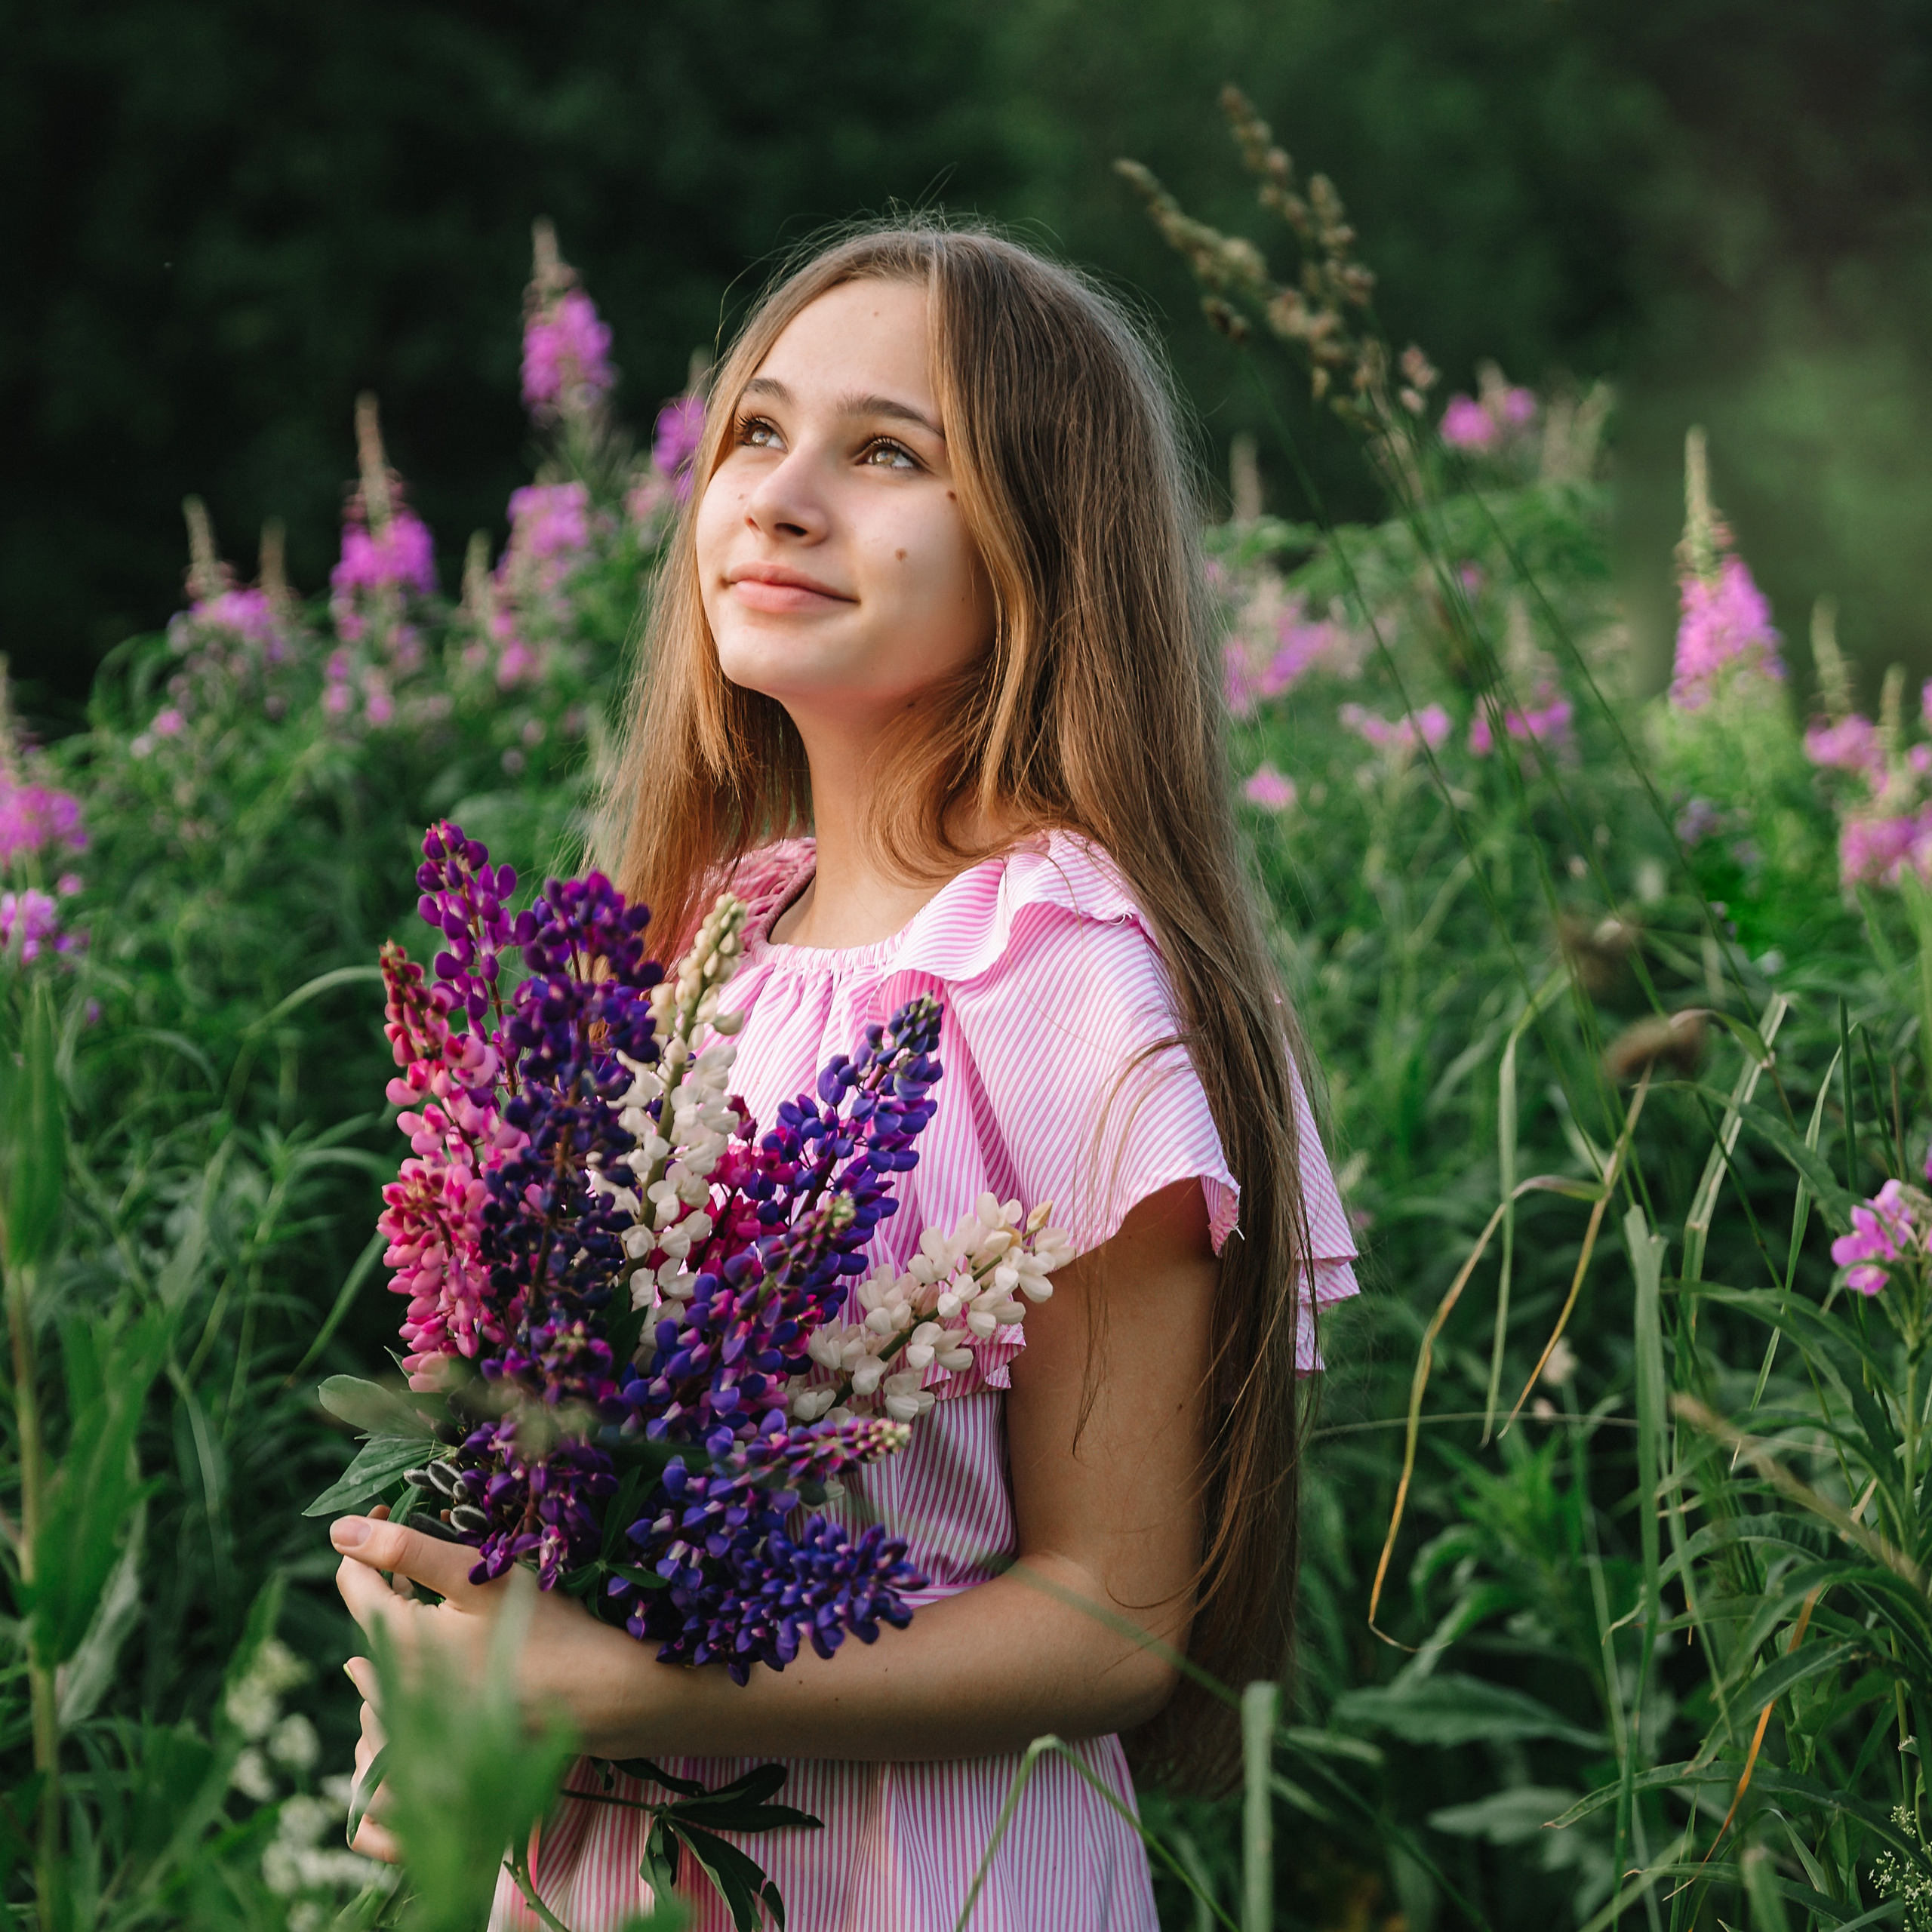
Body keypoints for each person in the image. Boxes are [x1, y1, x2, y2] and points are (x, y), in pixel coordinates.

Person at [331, 221, 1358, 1932]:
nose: (781, 495)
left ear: (1044, 544)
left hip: (923, 1873)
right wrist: (459, 1653)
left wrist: (613, 1688)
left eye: (887, 453)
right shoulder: (692, 947)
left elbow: (1111, 1612)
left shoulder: (1062, 973)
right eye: (756, 431)